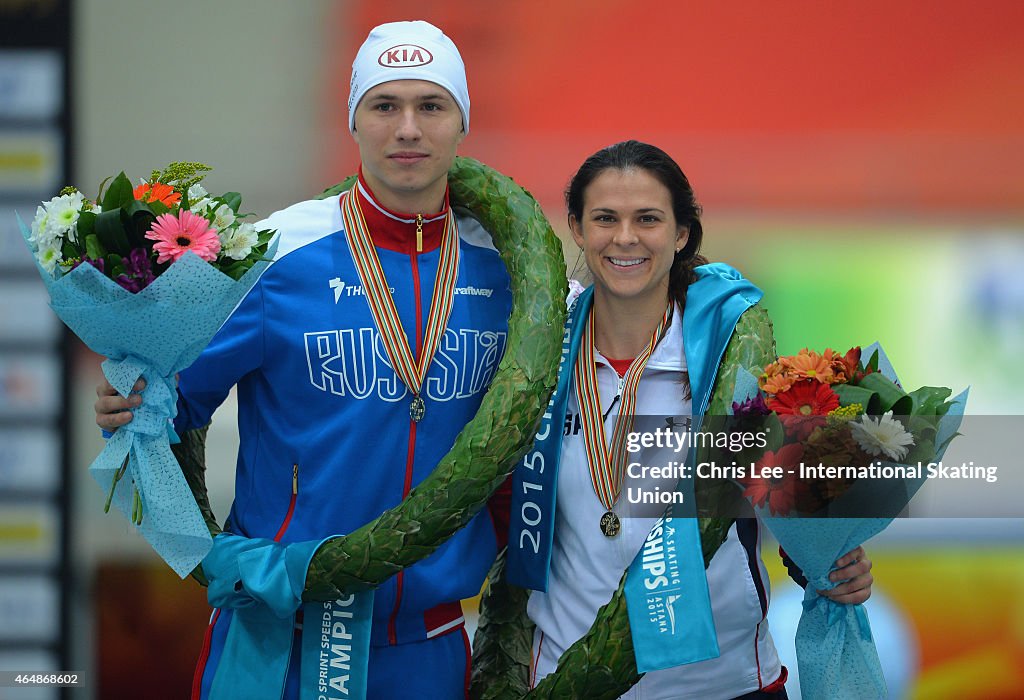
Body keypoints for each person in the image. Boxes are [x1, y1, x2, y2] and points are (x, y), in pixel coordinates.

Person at [95, 21, 513, 699]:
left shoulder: (504, 273)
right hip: (276, 635)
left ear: (462, 121)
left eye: (431, 106)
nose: (408, 127)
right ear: (354, 120)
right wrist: (127, 405)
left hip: (425, 647)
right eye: (385, 105)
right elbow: (163, 408)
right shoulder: (273, 251)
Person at [507, 141, 873, 699]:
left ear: (681, 235)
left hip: (725, 684)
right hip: (570, 682)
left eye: (648, 219)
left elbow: (791, 504)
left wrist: (828, 563)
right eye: (605, 218)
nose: (625, 237)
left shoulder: (732, 356)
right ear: (577, 230)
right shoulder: (541, 358)